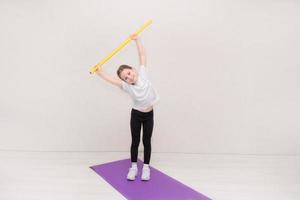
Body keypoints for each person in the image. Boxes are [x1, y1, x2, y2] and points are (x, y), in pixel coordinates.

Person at [95, 34, 159, 181]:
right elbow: (111, 80)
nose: (129, 78)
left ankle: (146, 168)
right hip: (136, 115)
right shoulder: (127, 87)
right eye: (125, 78)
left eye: (129, 73)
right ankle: (134, 167)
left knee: (147, 141)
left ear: (133, 70)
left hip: (149, 115)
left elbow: (142, 54)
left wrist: (138, 40)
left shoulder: (143, 74)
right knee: (135, 141)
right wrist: (100, 72)